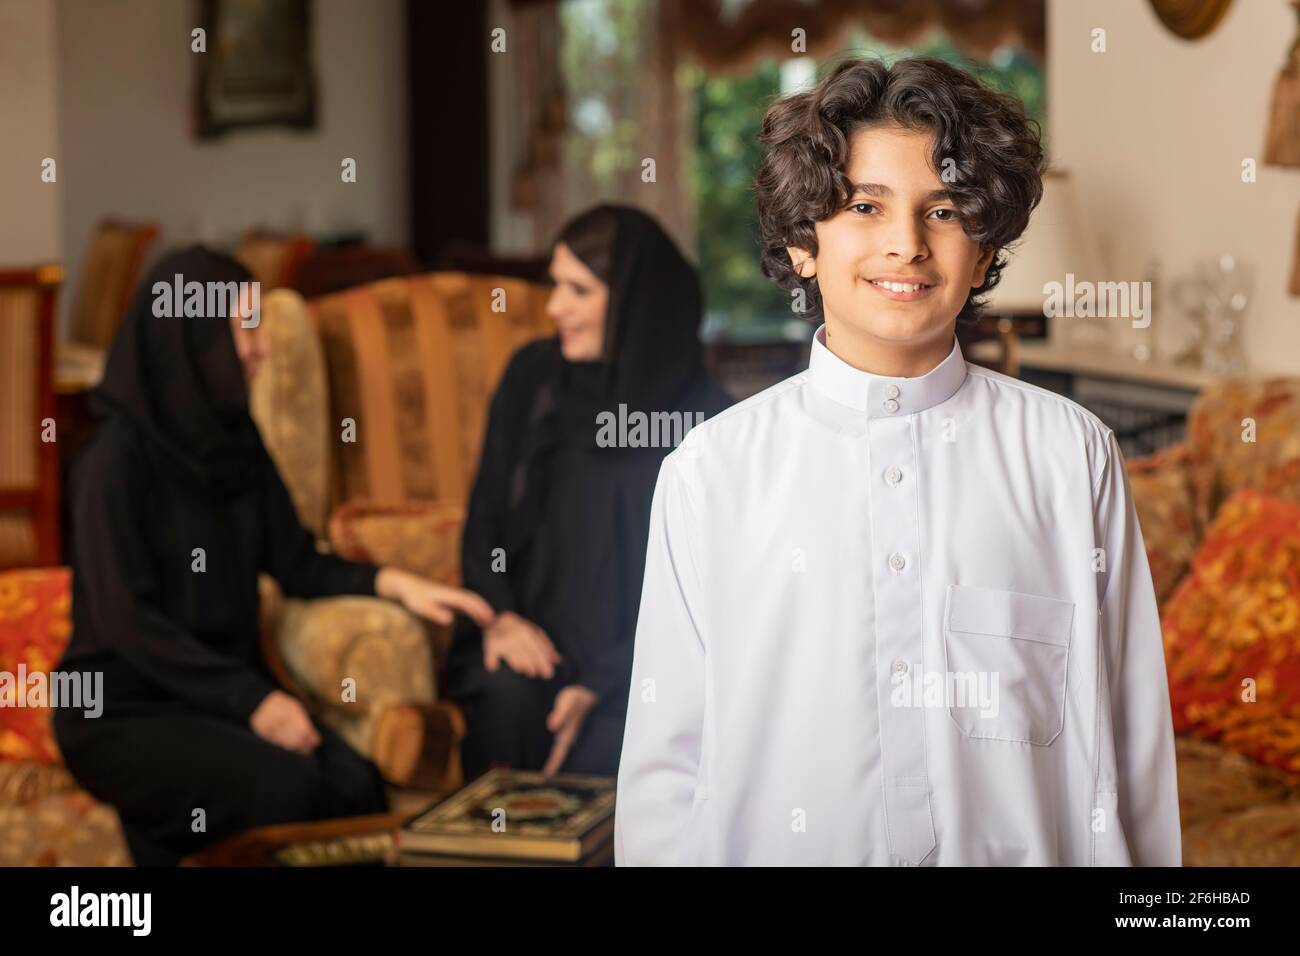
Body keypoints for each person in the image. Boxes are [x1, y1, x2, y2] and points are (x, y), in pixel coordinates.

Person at [615, 57, 1182, 865]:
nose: (906, 244)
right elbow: (666, 776)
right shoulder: (711, 473)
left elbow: (1134, 749)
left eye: (944, 210)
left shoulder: (1069, 454)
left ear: (984, 253)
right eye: (863, 206)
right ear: (802, 242)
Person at [52, 246, 494, 866]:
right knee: (283, 788)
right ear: (196, 337)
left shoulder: (236, 438)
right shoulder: (113, 462)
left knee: (355, 786)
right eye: (246, 327)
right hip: (123, 707)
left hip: (215, 694)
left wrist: (396, 583)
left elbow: (296, 564)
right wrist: (252, 702)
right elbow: (128, 622)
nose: (262, 347)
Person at [445, 204, 732, 781]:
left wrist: (600, 684)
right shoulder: (532, 377)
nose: (554, 308)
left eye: (578, 289)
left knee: (622, 746)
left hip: (643, 662)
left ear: (632, 300)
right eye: (555, 285)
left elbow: (712, 591)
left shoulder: (710, 423)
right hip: (531, 643)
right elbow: (484, 526)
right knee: (509, 705)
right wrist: (501, 618)